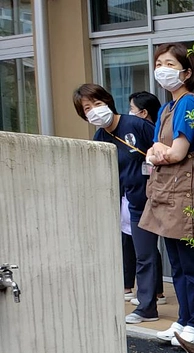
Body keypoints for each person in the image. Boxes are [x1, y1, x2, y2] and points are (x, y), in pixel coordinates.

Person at [73, 83, 157, 322]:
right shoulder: (100, 137)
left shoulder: (137, 125)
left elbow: (161, 150)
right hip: (133, 205)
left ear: (108, 101)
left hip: (158, 199)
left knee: (175, 257)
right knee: (144, 255)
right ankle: (147, 307)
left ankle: (189, 314)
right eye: (87, 108)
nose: (94, 111)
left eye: (97, 104)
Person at [140, 43, 194, 346]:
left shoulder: (189, 103)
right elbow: (155, 150)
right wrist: (160, 152)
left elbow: (176, 152)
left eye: (169, 64)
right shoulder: (166, 108)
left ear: (187, 72)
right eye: (159, 63)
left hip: (181, 193)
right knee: (176, 264)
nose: (162, 69)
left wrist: (161, 153)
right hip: (167, 193)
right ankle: (183, 319)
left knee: (190, 265)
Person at [127, 91, 167, 308]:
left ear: (143, 113)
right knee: (147, 252)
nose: (129, 114)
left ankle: (154, 295)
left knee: (150, 253)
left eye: (132, 109)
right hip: (140, 200)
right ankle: (151, 297)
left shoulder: (151, 132)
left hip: (158, 198)